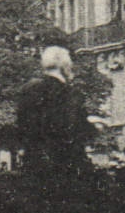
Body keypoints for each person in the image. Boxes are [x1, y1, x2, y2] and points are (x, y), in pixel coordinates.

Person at [14, 46, 95, 178]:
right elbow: (70, 129)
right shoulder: (69, 93)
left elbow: (23, 128)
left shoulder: (28, 90)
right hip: (65, 169)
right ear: (63, 65)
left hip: (34, 168)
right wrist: (92, 126)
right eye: (69, 63)